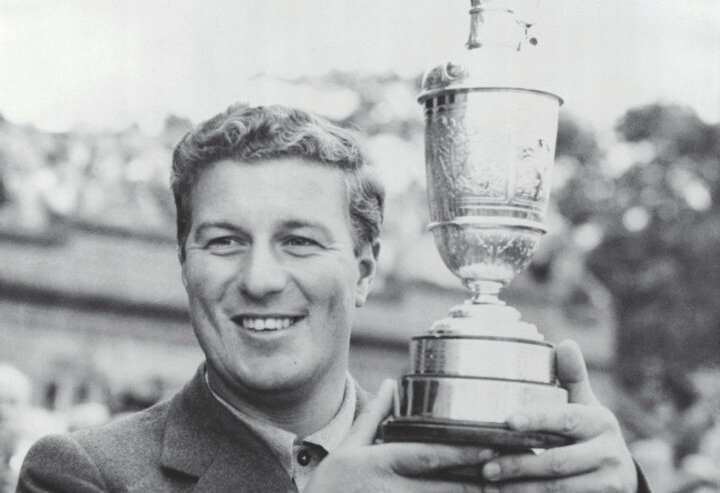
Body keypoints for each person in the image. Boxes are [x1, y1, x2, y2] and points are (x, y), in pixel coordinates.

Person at [17, 104, 649, 492]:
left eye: (299, 242)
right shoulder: (81, 474)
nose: (261, 278)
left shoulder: (464, 457)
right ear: (184, 264)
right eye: (224, 242)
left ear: (366, 270)